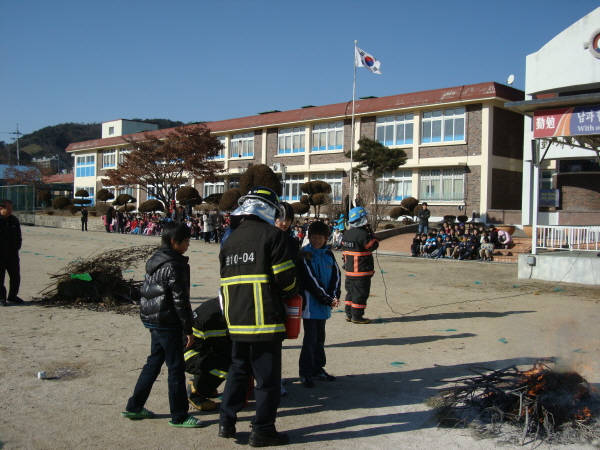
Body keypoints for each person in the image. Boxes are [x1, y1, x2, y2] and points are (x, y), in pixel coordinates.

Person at [218, 186, 297, 447]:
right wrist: (291, 291)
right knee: (266, 379)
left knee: (238, 370)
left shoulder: (230, 240)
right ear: (269, 209)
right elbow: (285, 279)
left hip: (236, 320)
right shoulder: (273, 235)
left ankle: (226, 422)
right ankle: (262, 430)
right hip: (265, 320)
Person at [121, 221, 204, 428]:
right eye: (186, 241)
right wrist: (188, 329)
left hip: (155, 320)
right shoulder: (175, 264)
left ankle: (134, 406)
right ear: (174, 241)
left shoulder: (156, 260)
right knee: (175, 368)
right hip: (168, 321)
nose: (188, 244)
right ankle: (179, 416)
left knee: (154, 362)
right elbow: (180, 300)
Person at [297, 221, 341, 388]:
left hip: (324, 304)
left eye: (320, 238)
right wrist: (327, 298)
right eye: (314, 237)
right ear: (309, 237)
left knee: (320, 338)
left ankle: (317, 368)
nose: (317, 241)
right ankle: (305, 372)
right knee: (310, 339)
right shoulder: (304, 254)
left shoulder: (328, 254)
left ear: (326, 238)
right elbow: (310, 281)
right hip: (311, 305)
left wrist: (335, 295)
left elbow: (336, 276)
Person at [185, 297, 232, 412]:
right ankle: (197, 391)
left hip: (200, 348)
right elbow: (222, 348)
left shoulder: (218, 305)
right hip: (188, 354)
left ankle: (204, 385)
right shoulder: (215, 317)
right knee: (229, 366)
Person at [340, 206, 378, 324]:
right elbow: (372, 246)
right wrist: (373, 236)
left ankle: (349, 314)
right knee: (360, 294)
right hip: (361, 271)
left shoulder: (347, 234)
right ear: (361, 219)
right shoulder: (363, 234)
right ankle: (357, 316)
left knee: (350, 293)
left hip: (349, 270)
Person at [0, 200, 23, 306]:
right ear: (1, 209)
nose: (10, 211)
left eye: (11, 209)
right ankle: (1, 298)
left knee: (15, 277)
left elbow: (18, 236)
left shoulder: (14, 220)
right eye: (8, 209)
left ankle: (13, 296)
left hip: (13, 254)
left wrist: (17, 246)